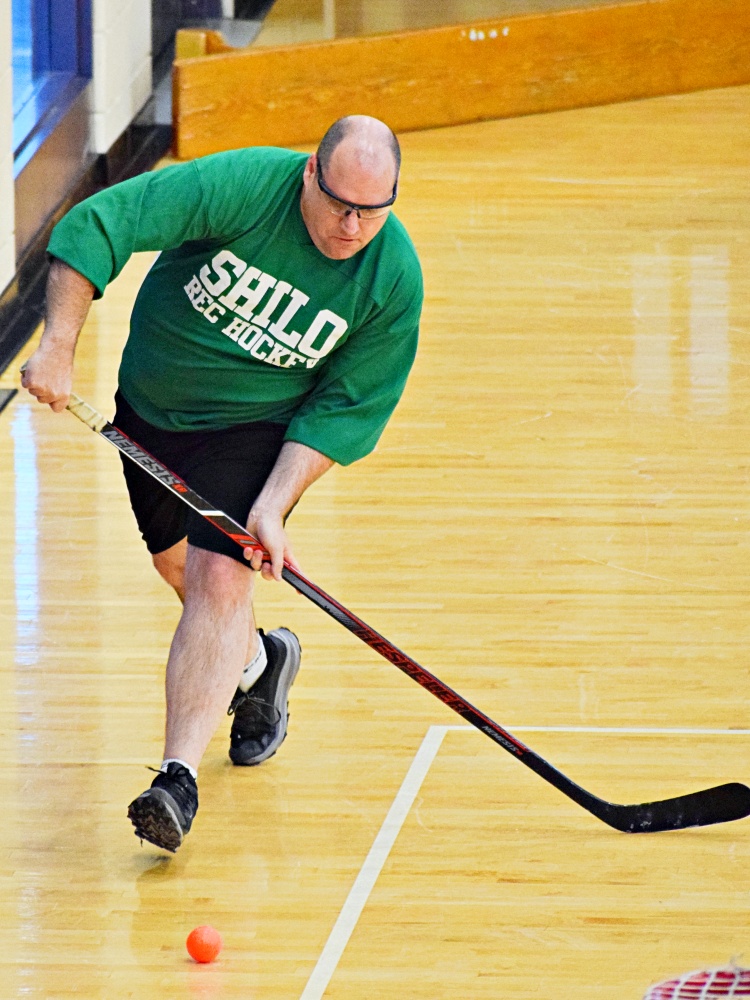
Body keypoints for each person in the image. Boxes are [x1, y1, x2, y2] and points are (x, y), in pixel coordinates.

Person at [21, 114, 423, 853]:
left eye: (373, 210)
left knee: (218, 578)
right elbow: (103, 220)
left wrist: (271, 505)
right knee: (178, 568)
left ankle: (176, 780)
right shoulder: (242, 187)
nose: (352, 226)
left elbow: (348, 406)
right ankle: (263, 662)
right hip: (151, 410)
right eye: (339, 203)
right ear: (310, 171)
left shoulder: (392, 280)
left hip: (259, 431)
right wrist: (58, 345)